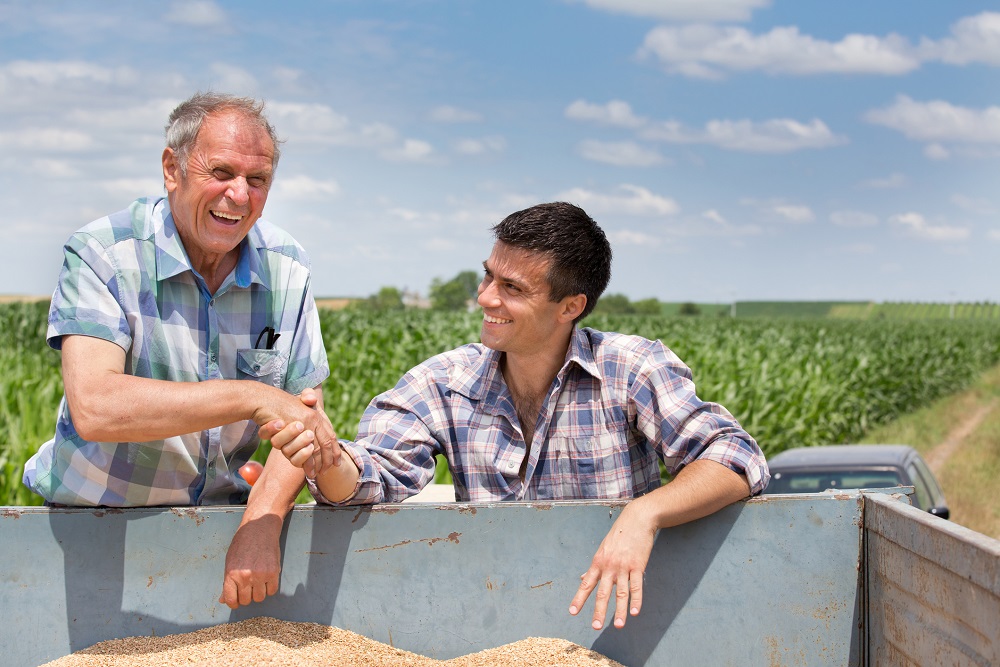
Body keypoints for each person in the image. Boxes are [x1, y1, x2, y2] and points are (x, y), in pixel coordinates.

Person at [222, 202, 769, 629]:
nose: (486, 298)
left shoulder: (631, 370)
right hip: (491, 628)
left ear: (570, 306)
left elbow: (735, 457)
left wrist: (643, 515)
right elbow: (370, 482)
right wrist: (327, 458)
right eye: (487, 277)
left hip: (609, 628)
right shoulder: (444, 381)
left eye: (512, 288)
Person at [22, 92, 343, 513]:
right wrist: (252, 397)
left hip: (220, 520)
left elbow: (303, 423)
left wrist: (261, 523)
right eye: (221, 172)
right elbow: (96, 407)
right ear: (172, 169)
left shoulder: (287, 267)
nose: (240, 195)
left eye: (257, 179)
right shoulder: (104, 253)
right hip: (93, 520)